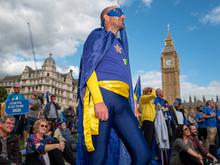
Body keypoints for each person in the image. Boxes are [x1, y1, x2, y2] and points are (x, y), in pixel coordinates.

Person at [76, 5, 149, 165]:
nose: (123, 16)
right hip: (104, 96)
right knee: (99, 156)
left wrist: (133, 103)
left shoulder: (121, 45)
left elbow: (126, 77)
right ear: (106, 18)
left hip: (123, 102)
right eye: (117, 13)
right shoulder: (96, 35)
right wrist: (98, 100)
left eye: (123, 13)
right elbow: (89, 68)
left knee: (143, 154)